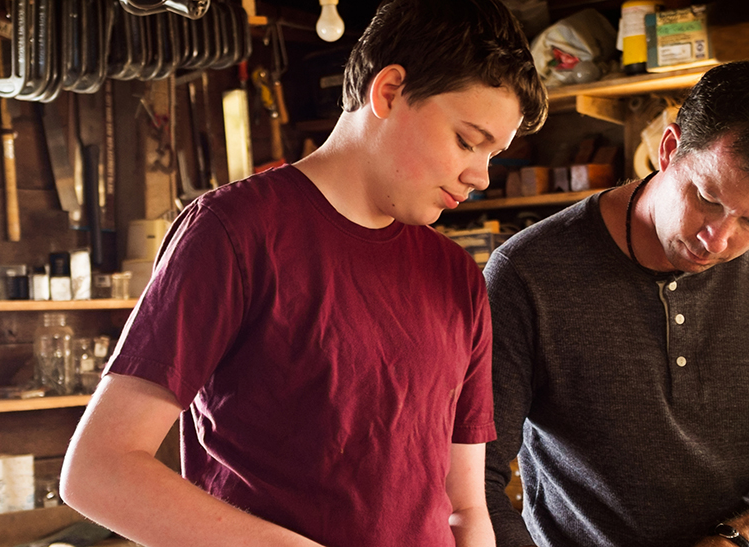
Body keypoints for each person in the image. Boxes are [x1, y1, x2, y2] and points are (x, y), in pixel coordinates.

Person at [60, 1, 548, 546]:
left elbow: (466, 510)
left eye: (493, 153)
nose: (479, 175)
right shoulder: (233, 231)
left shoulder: (457, 276)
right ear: (387, 92)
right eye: (466, 140)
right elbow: (98, 471)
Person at [484, 59, 749, 547]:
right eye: (707, 198)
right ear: (668, 149)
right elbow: (471, 481)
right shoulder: (527, 273)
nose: (717, 240)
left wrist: (743, 541)